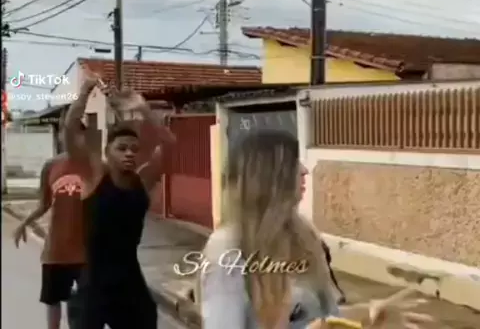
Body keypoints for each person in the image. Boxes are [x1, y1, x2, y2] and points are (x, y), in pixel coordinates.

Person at [201, 130, 433, 329]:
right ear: (264, 176)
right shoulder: (227, 250)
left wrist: (370, 313)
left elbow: (325, 318)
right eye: (292, 163)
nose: (304, 170)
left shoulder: (303, 235)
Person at [63, 73, 175, 329]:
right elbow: (70, 129)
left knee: (146, 319)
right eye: (122, 148)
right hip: (93, 282)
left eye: (134, 149)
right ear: (107, 152)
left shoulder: (141, 182)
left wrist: (143, 109)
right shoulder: (94, 177)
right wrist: (85, 92)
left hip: (128, 280)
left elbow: (169, 145)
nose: (129, 154)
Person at [13, 120, 88, 329]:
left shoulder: (95, 165)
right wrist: (23, 224)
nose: (69, 137)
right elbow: (44, 204)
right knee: (53, 300)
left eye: (76, 133)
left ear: (83, 136)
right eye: (65, 133)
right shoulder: (51, 166)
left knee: (88, 303)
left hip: (87, 250)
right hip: (56, 249)